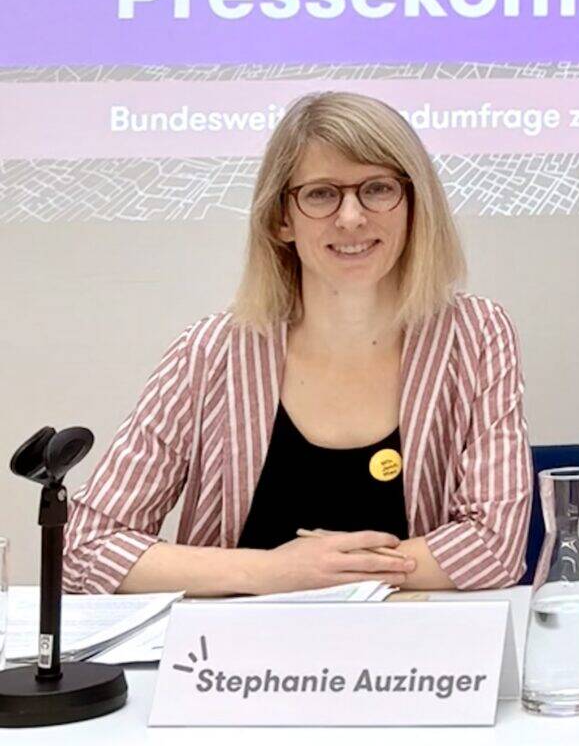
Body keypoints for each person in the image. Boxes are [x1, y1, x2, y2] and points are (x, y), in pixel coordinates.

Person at [63, 91, 532, 596]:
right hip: (232, 662)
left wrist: (334, 572)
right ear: (281, 218)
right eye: (321, 194)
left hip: (414, 663)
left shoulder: (477, 335)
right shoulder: (210, 352)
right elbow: (85, 548)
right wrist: (269, 572)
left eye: (377, 189)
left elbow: (494, 548)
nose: (351, 217)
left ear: (415, 206)